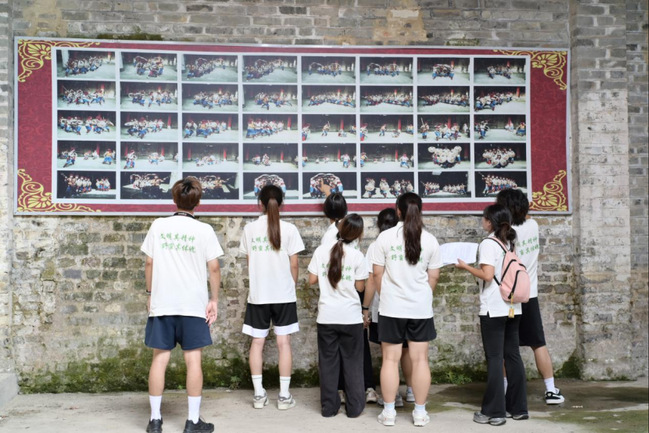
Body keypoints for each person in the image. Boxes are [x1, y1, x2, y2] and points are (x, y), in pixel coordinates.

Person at [140, 176, 223, 433]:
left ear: (174, 199)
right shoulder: (204, 230)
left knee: (159, 359)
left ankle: (155, 421)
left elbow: (149, 263)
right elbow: (214, 268)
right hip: (193, 305)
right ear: (198, 202)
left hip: (163, 303)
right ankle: (192, 421)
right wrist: (214, 300)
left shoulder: (158, 225)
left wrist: (150, 293)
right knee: (193, 361)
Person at [369, 192, 442, 427]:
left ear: (398, 211)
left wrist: (387, 296)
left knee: (390, 360)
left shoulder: (385, 238)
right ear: (420, 210)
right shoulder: (430, 240)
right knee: (420, 360)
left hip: (391, 308)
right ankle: (419, 413)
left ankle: (389, 413)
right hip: (420, 309)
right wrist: (423, 296)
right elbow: (433, 277)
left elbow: (377, 274)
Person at [455, 204, 528, 426]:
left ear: (490, 221)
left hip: (494, 308)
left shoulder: (488, 243)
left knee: (495, 358)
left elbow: (487, 275)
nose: (482, 221)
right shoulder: (508, 242)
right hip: (513, 305)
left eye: (484, 218)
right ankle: (518, 408)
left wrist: (466, 267)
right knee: (512, 355)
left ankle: (494, 412)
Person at [239, 184, 305, 411]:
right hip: (283, 295)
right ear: (282, 203)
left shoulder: (249, 229)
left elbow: (250, 262)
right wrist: (289, 286)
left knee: (257, 343)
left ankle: (259, 395)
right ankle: (284, 397)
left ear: (260, 203)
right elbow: (294, 265)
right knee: (283, 343)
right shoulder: (290, 229)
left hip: (259, 295)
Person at [496, 188, 565, 405]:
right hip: (529, 294)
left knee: (506, 346)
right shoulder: (533, 225)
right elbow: (528, 213)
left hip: (508, 296)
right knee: (538, 343)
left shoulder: (503, 233)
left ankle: (505, 391)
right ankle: (551, 390)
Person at [308, 214, 368, 417]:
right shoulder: (358, 256)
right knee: (353, 363)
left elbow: (312, 280)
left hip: (327, 317)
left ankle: (329, 407)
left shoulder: (321, 251)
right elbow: (360, 287)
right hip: (351, 317)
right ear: (358, 235)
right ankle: (354, 408)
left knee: (328, 363)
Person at [320, 193, 376, 404]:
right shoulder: (348, 228)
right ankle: (361, 389)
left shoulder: (333, 233)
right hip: (351, 291)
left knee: (342, 349)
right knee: (355, 347)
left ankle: (351, 389)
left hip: (340, 292)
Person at [365, 208, 415, 408]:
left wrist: (365, 308)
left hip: (384, 306)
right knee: (407, 350)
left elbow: (372, 278)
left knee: (389, 355)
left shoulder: (377, 244)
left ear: (378, 224)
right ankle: (411, 390)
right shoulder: (411, 241)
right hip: (409, 304)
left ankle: (393, 396)